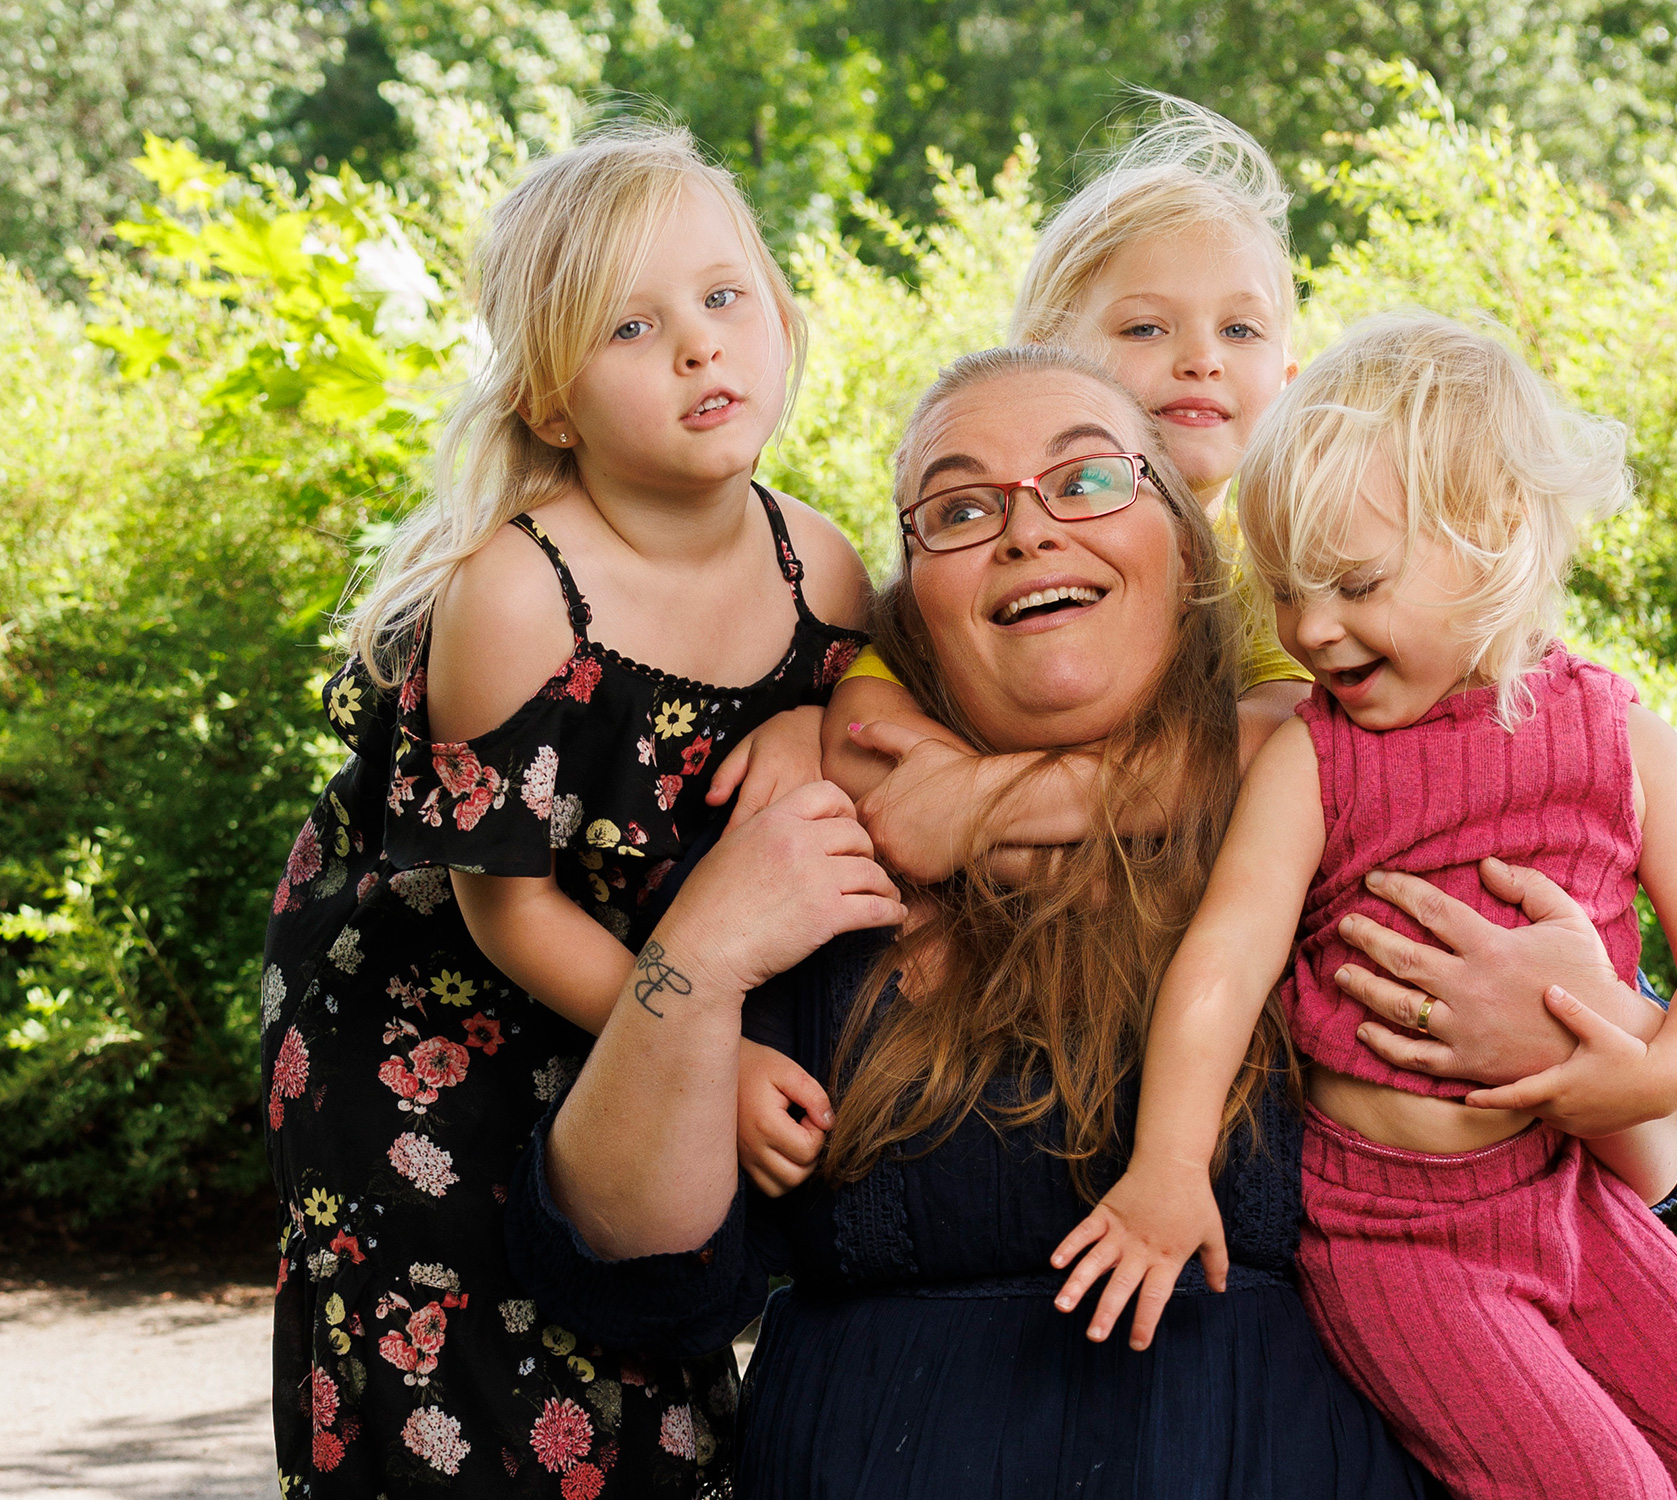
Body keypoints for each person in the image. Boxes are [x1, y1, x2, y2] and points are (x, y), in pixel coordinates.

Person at [503, 345, 1439, 1497]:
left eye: (1088, 479)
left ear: (1190, 548)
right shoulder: (806, 830)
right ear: (909, 612)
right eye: (958, 508)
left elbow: (1608, 1160)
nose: (1027, 530)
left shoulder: (1354, 802)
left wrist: (1600, 1034)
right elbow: (632, 1272)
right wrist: (695, 961)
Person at [1049, 311, 1677, 1499]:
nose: (1310, 628)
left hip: (1564, 1197)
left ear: (1497, 534)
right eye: (1287, 592)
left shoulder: (1621, 739)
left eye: (1353, 584)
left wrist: (1658, 1071)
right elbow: (1222, 959)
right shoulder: (1314, 760)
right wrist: (1167, 1165)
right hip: (1393, 1241)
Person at [257, 121, 882, 1498]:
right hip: (433, 1033)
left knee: (659, 1360)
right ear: (551, 402)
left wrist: (809, 717)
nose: (700, 348)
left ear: (780, 316)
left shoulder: (819, 566)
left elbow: (887, 726)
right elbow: (505, 902)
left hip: (642, 995)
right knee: (468, 1384)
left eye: (725, 300)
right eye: (632, 327)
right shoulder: (521, 594)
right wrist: (704, 1061)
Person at [814, 95, 1311, 898]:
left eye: (1241, 332)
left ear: (1289, 384)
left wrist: (985, 806)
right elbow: (863, 743)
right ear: (1044, 358)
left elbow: (1287, 740)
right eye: (1146, 329)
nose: (1202, 360)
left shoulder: (1279, 565)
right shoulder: (980, 546)